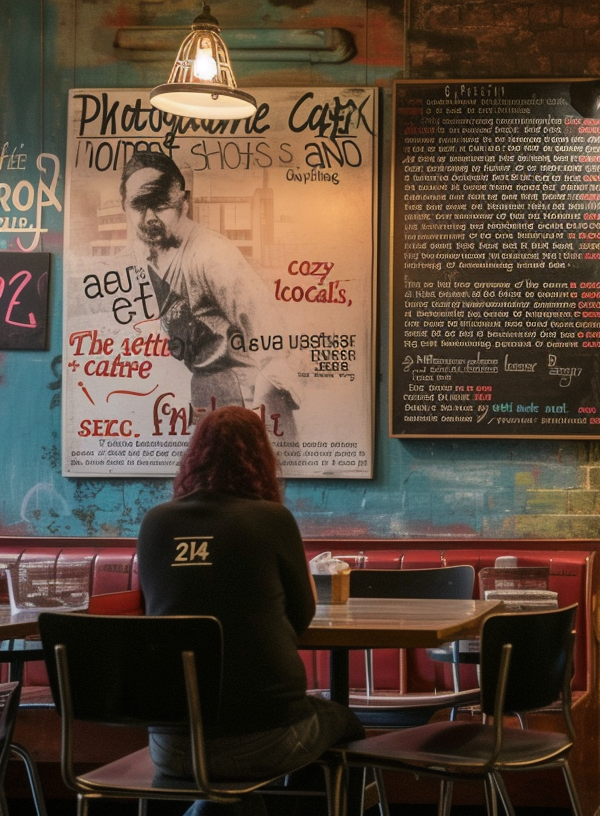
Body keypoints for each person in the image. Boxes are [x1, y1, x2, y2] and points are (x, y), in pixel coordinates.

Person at [137, 406, 363, 816]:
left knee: (235, 761)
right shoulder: (271, 519)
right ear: (262, 459)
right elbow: (302, 615)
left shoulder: (155, 523)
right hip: (266, 739)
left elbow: (153, 608)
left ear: (193, 456)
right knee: (345, 722)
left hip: (169, 745)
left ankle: (222, 808)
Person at [119, 150, 298, 438]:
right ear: (125, 206)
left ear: (184, 202)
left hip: (247, 398)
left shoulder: (212, 253)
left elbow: (271, 336)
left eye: (161, 204)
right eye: (139, 205)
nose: (150, 217)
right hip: (207, 392)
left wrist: (264, 423)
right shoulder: (141, 258)